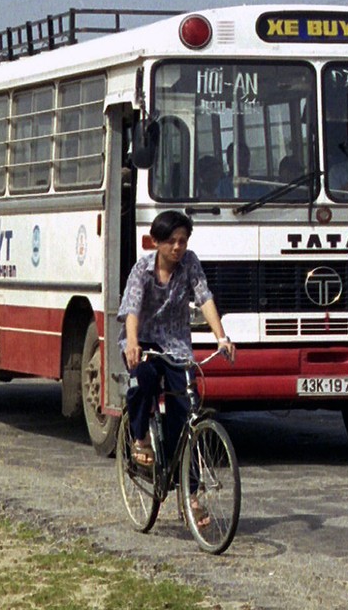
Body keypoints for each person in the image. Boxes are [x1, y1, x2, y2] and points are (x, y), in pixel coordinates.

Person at [118, 211, 234, 524]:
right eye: (171, 241)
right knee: (143, 379)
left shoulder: (190, 263)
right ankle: (139, 437)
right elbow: (131, 307)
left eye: (183, 241)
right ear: (157, 242)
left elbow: (204, 298)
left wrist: (221, 337)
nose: (178, 247)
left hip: (176, 344)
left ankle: (189, 495)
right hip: (142, 340)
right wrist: (132, 343)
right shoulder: (143, 268)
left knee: (186, 413)